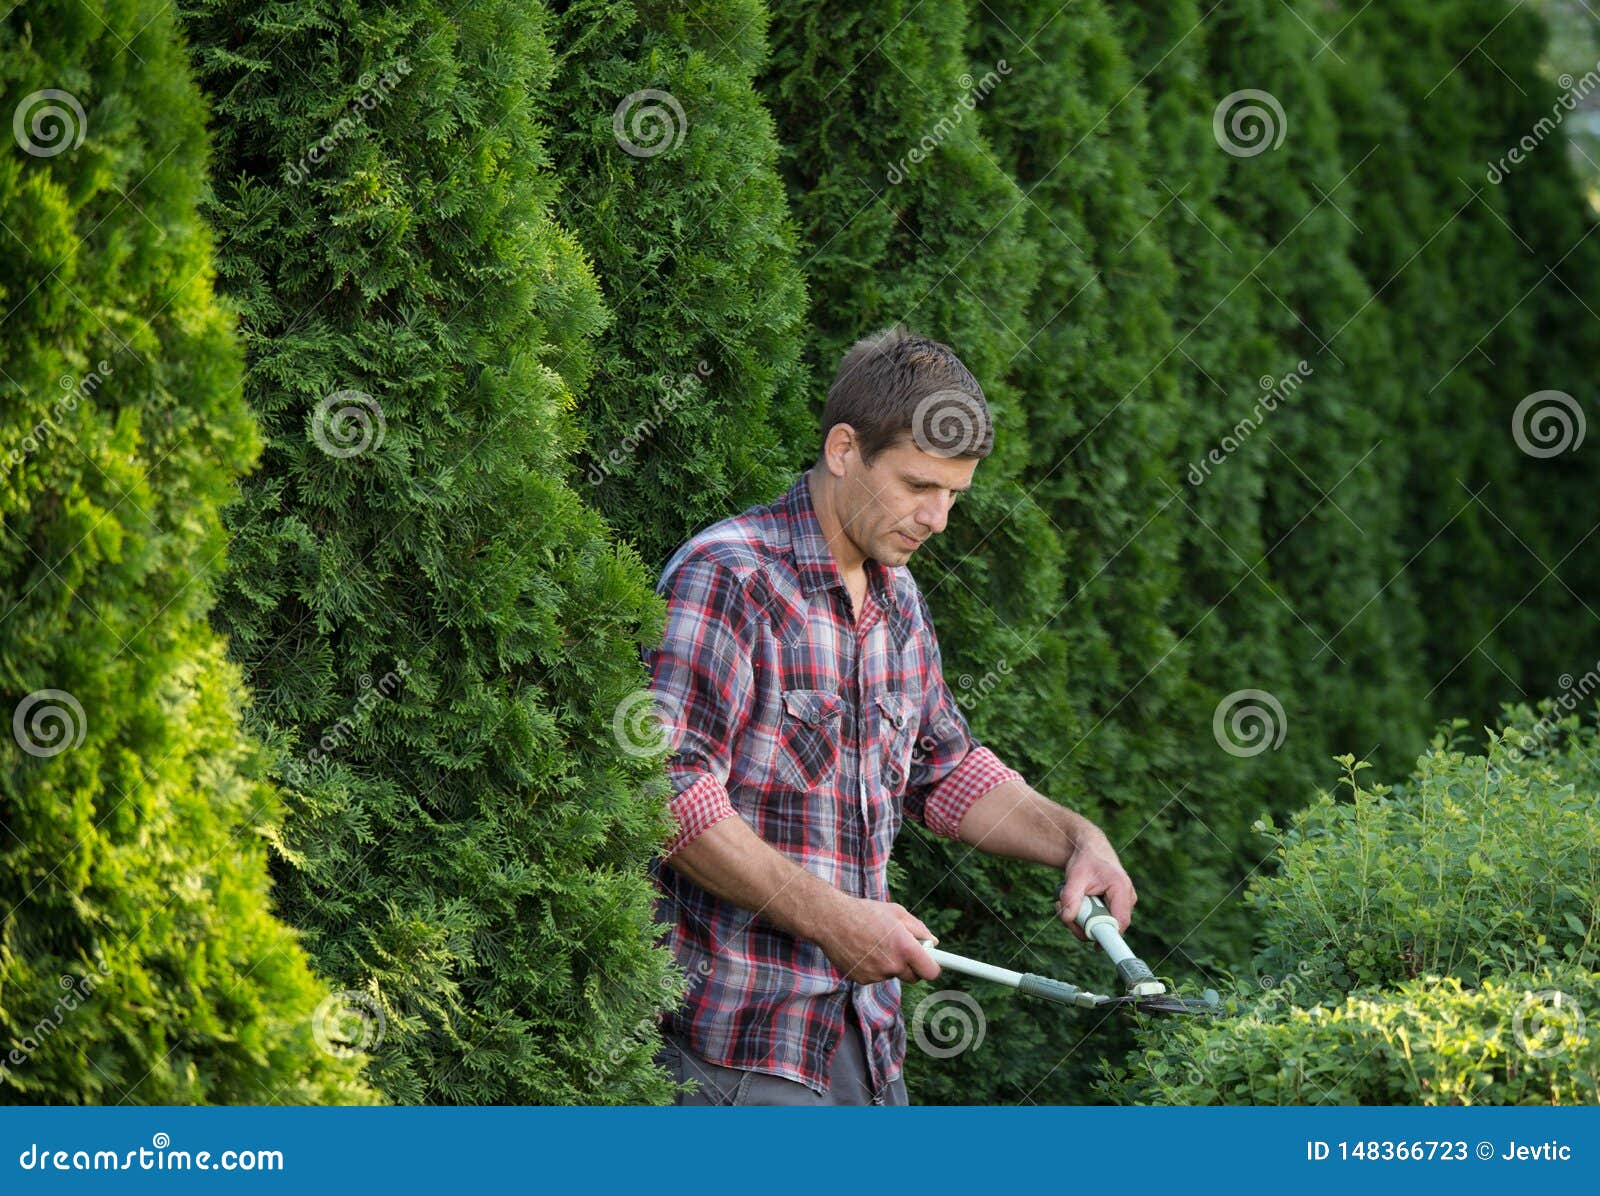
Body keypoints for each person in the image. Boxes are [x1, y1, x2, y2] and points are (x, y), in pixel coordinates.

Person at [643, 324, 1136, 1105]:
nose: (937, 518)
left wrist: (1076, 840)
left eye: (953, 494)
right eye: (917, 486)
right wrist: (836, 920)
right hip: (733, 1048)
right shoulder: (730, 579)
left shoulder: (898, 599)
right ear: (844, 449)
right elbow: (665, 795)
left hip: (866, 1047)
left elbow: (946, 769)